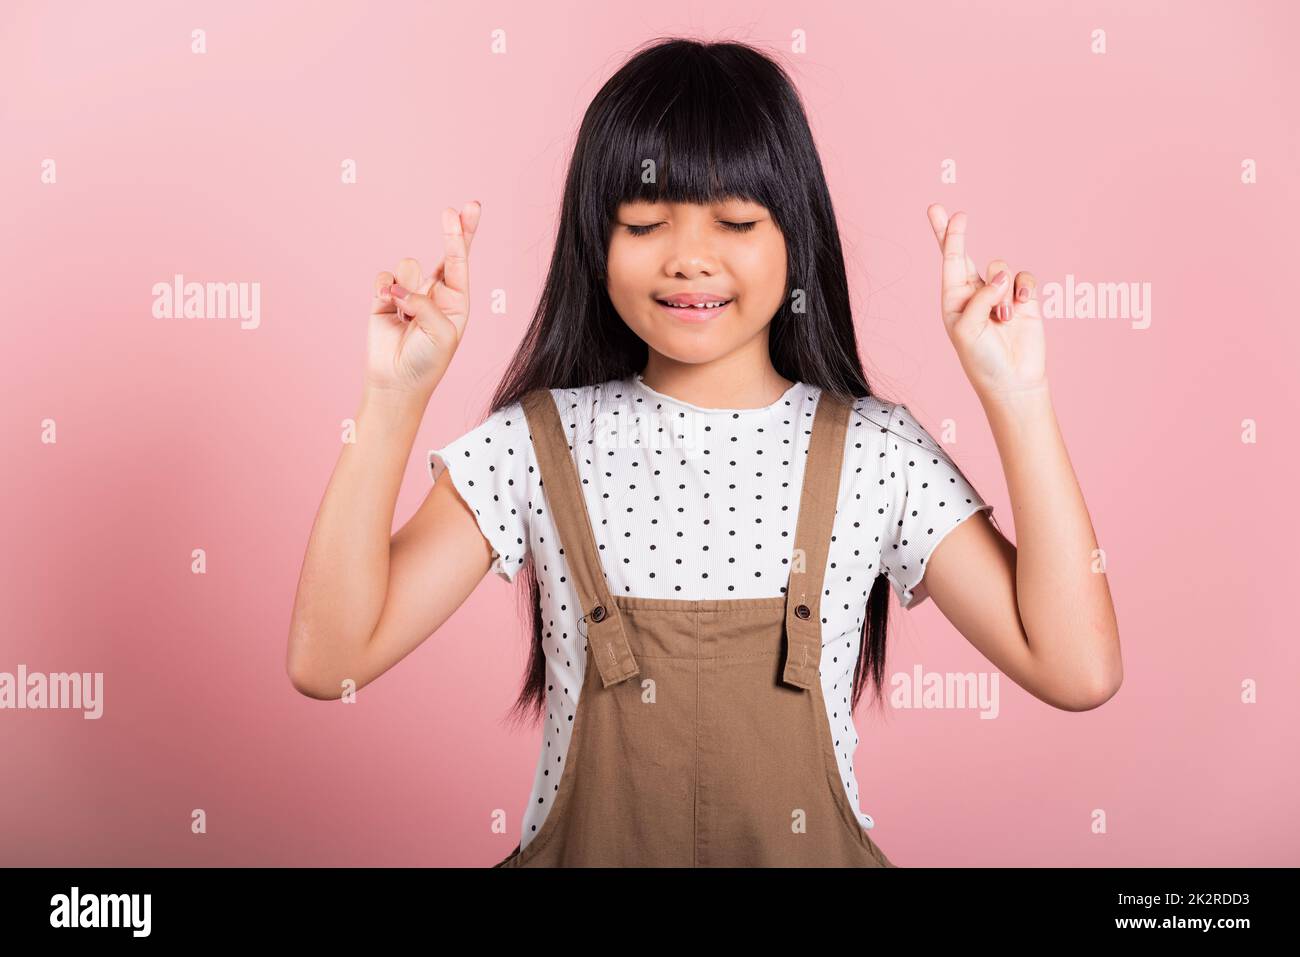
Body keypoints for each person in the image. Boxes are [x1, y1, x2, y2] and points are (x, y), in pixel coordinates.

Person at [286, 38, 1122, 867]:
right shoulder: (534, 444)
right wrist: (394, 398)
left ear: (796, 236)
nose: (689, 256)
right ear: (596, 244)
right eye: (646, 223)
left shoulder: (876, 451)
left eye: (735, 220)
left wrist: (1017, 398)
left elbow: (1077, 667)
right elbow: (332, 658)